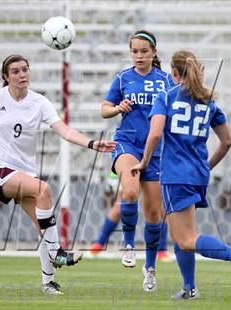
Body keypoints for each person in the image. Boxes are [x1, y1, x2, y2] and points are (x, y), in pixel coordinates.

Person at [0, 54, 116, 295]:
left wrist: (91, 143)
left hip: (21, 172)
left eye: (25, 70)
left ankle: (48, 283)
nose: (22, 75)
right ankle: (58, 253)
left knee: (44, 230)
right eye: (16, 71)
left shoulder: (39, 102)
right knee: (44, 190)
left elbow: (64, 130)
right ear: (5, 77)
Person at [131, 50, 231, 300]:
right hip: (197, 175)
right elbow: (227, 142)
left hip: (175, 175)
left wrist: (143, 163)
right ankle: (189, 289)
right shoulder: (208, 101)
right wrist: (207, 166)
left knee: (185, 240)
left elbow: (154, 134)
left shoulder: (167, 96)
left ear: (173, 73)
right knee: (180, 235)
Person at [101, 30, 175, 292]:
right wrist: (118, 108)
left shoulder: (166, 80)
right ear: (130, 52)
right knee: (130, 191)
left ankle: (150, 267)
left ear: (154, 52)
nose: (139, 56)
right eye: (135, 51)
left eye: (144, 51)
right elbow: (104, 109)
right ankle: (129, 245)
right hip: (127, 142)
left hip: (155, 150)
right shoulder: (123, 78)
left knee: (154, 214)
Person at [90, 171, 172, 262]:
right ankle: (99, 245)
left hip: (153, 166)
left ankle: (161, 249)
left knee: (158, 206)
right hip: (129, 167)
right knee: (120, 205)